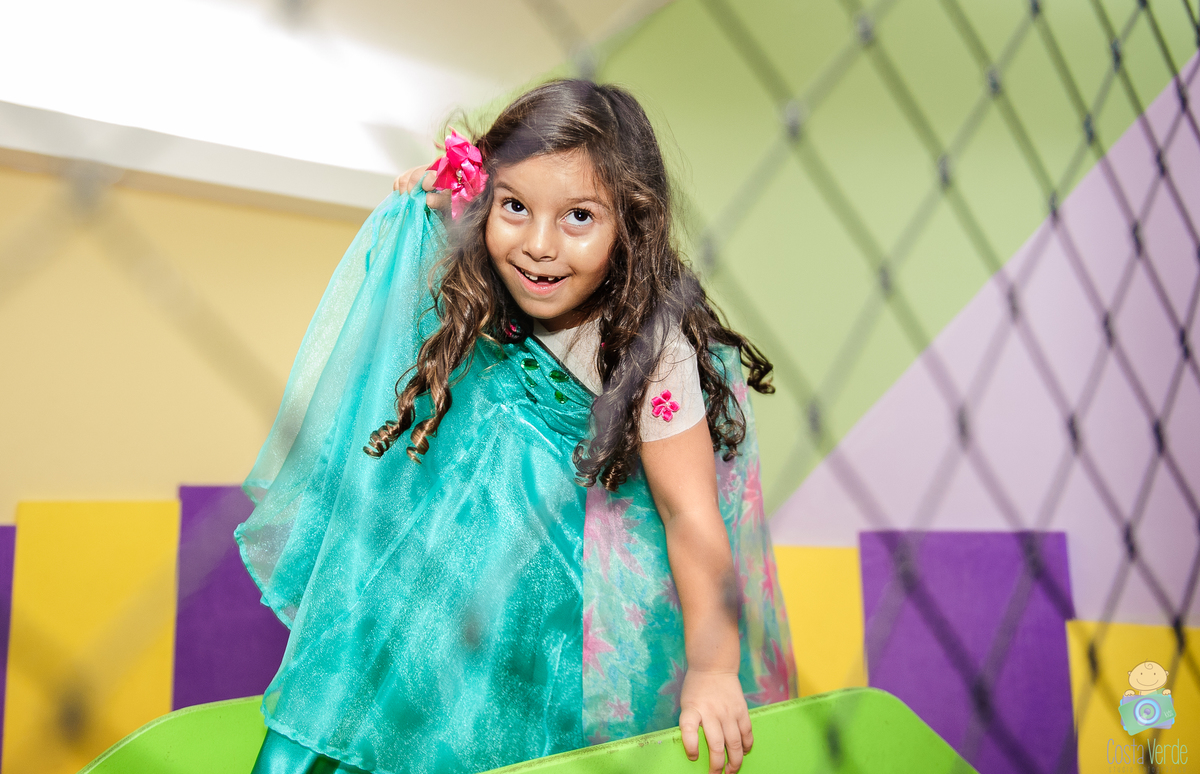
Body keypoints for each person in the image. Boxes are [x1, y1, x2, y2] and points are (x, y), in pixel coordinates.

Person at [236, 79, 795, 774]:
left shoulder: (651, 350)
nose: (538, 245)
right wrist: (429, 200)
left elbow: (689, 514)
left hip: (555, 618)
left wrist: (712, 670)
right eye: (515, 207)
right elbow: (428, 214)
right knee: (357, 715)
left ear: (631, 225)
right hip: (435, 584)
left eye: (579, 217)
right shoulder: (480, 281)